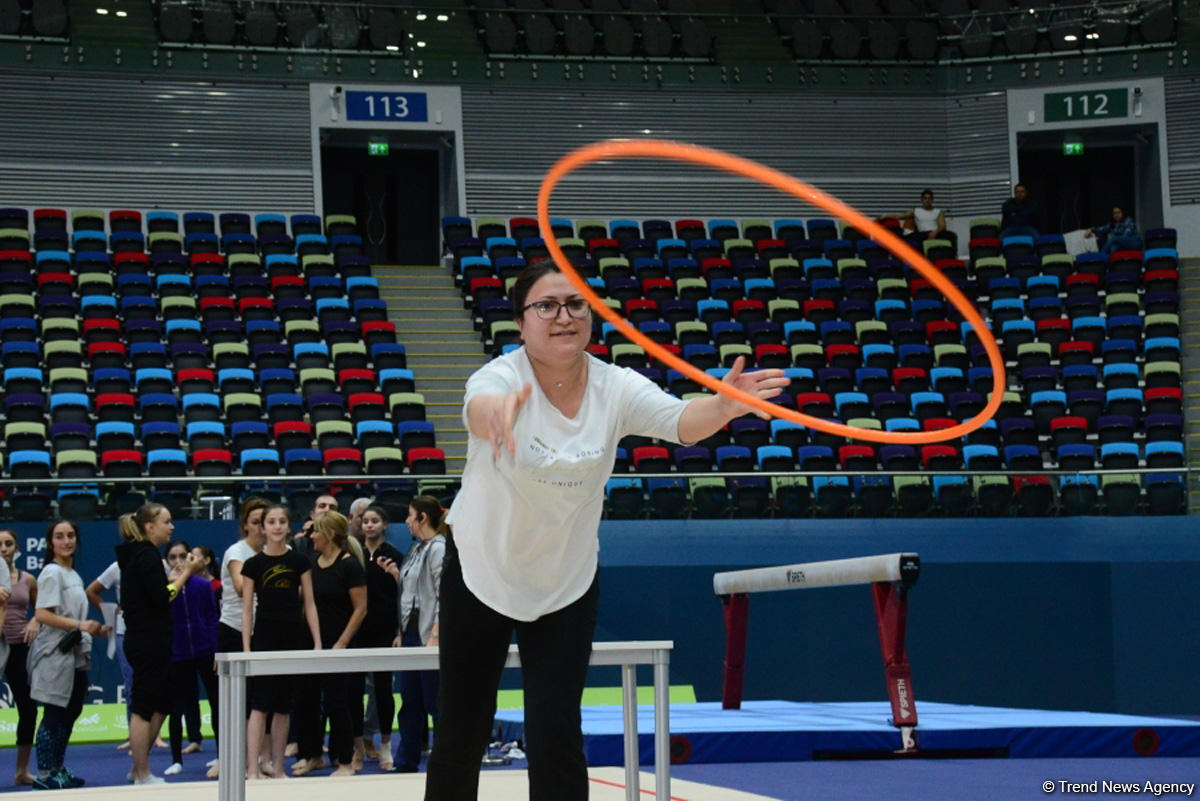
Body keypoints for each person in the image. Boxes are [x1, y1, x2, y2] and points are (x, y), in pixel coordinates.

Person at [425, 262, 787, 801]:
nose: (563, 316)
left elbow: (681, 423)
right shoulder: (501, 378)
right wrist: (497, 416)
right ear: (522, 323)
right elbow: (479, 409)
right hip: (482, 571)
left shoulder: (613, 385)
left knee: (555, 730)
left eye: (575, 304)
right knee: (463, 728)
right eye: (546, 306)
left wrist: (724, 407)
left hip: (565, 580)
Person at [118, 503, 199, 785]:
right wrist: (186, 574)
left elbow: (154, 593)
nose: (172, 526)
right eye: (167, 521)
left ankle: (138, 765)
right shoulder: (145, 555)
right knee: (143, 706)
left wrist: (172, 580)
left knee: (163, 702)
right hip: (146, 641)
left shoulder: (144, 557)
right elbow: (161, 597)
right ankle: (141, 772)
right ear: (149, 526)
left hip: (156, 639)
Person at [29, 519, 111, 790]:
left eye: (71, 536)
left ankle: (57, 767)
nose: (66, 541)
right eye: (60, 537)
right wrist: (78, 625)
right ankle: (44, 774)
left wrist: (94, 629)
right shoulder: (52, 572)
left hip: (74, 652)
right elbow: (42, 614)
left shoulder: (73, 574)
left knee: (71, 711)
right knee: (54, 712)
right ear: (51, 542)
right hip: (54, 652)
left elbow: (75, 617)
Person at [240, 504, 320, 780]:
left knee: (283, 706)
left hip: (292, 636)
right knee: (259, 705)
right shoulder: (253, 565)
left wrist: (317, 643)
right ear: (262, 528)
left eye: (281, 521)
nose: (276, 526)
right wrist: (247, 648)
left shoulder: (299, 561)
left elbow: (309, 603)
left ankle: (277, 766)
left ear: (288, 526)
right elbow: (247, 608)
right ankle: (252, 768)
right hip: (263, 636)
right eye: (271, 522)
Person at [292, 511, 366, 777]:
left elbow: (360, 609)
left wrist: (342, 642)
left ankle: (345, 761)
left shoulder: (350, 566)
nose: (311, 536)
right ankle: (313, 755)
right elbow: (306, 603)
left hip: (339, 644)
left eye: (316, 532)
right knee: (306, 701)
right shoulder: (311, 563)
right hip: (312, 643)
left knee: (338, 702)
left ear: (330, 535)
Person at [376, 496, 446, 774]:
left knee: (435, 703)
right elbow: (411, 594)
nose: (406, 521)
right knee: (410, 701)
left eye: (409, 515)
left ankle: (444, 763)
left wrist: (436, 635)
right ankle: (406, 762)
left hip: (430, 635)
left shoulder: (439, 548)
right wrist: (401, 631)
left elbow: (443, 596)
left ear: (423, 518)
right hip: (411, 634)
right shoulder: (417, 549)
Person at [211, 498, 269, 778]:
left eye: (265, 522)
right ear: (245, 524)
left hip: (266, 632)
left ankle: (260, 759)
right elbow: (237, 586)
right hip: (234, 630)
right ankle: (227, 758)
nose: (260, 527)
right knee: (234, 701)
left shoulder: (278, 551)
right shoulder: (237, 551)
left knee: (263, 702)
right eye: (255, 522)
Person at [351, 503, 403, 771]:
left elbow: (404, 597)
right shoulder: (354, 554)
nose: (369, 525)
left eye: (375, 521)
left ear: (384, 525)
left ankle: (385, 746)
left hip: (384, 631)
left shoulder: (394, 555)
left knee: (383, 690)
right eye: (366, 521)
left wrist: (399, 631)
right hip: (357, 631)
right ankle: (358, 748)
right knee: (355, 691)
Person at [164, 539, 220, 776]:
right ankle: (176, 759)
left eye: (182, 556)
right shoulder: (164, 589)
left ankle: (221, 755)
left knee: (217, 703)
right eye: (172, 557)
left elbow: (212, 618)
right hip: (177, 654)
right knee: (177, 707)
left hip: (205, 651)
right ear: (166, 562)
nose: (178, 562)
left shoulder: (202, 586)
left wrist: (215, 649)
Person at [0, 529, 38, 785]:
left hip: (19, 650)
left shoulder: (28, 580)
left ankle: (21, 771)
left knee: (28, 709)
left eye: (8, 543)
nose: (3, 548)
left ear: (17, 548)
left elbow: (42, 609)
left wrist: (34, 622)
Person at [879, 189, 957, 253]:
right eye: (925, 198)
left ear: (932, 200)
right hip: (922, 234)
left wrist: (935, 232)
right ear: (921, 200)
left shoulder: (938, 211)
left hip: (936, 232)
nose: (927, 200)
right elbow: (900, 216)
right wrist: (885, 215)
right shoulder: (916, 210)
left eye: (929, 198)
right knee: (909, 238)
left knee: (952, 235)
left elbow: (942, 226)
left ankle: (953, 256)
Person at [291, 494, 339, 558]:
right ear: (312, 515)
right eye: (322, 506)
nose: (327, 510)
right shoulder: (300, 543)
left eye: (332, 508)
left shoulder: (345, 541)